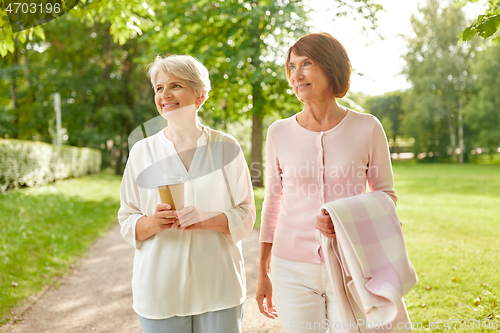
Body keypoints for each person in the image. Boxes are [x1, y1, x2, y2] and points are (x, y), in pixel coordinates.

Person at [256, 32, 398, 333]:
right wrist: (262, 271)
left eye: (306, 63)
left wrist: (345, 219)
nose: (296, 74)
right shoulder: (278, 132)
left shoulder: (367, 127)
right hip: (291, 267)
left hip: (352, 263)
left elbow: (385, 194)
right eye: (291, 66)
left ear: (331, 67)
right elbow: (273, 201)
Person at [118, 54, 255, 333]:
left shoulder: (226, 147)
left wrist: (208, 218)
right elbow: (127, 219)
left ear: (200, 95)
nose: (165, 94)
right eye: (159, 87)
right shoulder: (142, 152)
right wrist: (153, 223)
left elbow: (247, 213)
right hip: (160, 291)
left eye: (176, 85)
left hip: (219, 287)